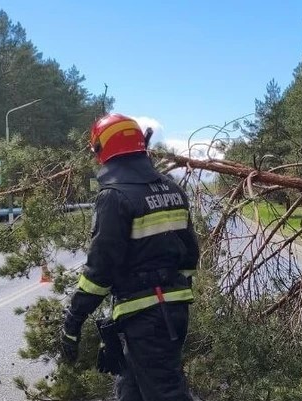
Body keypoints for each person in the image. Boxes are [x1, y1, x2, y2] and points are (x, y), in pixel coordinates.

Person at [60, 113, 200, 401]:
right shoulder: (172, 190)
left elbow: (100, 271)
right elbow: (189, 256)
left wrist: (74, 319)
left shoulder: (114, 197)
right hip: (168, 312)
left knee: (167, 394)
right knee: (130, 391)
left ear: (103, 150)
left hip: (148, 317)